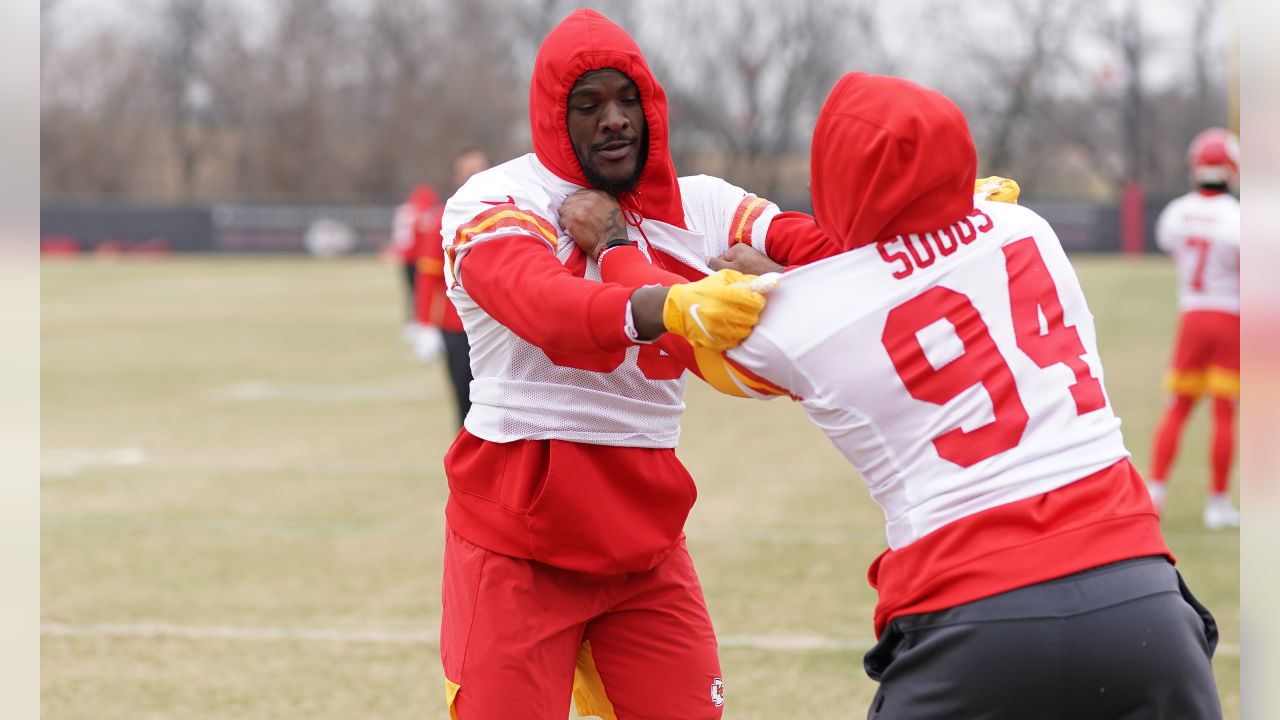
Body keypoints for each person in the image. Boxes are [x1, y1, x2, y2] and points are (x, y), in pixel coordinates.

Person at [561, 72, 1221, 719]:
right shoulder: (1024, 227)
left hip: (974, 619)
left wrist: (616, 246)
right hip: (1143, 600)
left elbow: (688, 326)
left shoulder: (810, 320)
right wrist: (803, 277)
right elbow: (908, 271)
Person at [434, 9, 802, 719]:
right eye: (589, 103)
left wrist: (932, 220)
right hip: (516, 538)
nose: (614, 120)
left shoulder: (698, 203)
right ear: (551, 114)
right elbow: (542, 306)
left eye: (627, 99)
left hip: (645, 539)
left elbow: (813, 242)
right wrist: (661, 306)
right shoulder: (498, 198)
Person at [1146, 128, 1240, 530]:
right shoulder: (1238, 218)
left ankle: (1156, 491)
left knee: (1177, 407)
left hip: (1192, 317)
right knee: (1224, 412)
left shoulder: (1175, 213)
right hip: (1230, 318)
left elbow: (1175, 254)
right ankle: (1217, 504)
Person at [414, 148, 491, 428]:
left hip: (497, 326)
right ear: (457, 177)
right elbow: (428, 276)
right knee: (466, 409)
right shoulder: (444, 218)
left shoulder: (506, 212)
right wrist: (424, 324)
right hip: (457, 328)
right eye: (467, 172)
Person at [390, 184, 438, 340]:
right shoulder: (425, 213)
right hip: (420, 258)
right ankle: (418, 321)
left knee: (412, 290)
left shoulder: (404, 211)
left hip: (409, 257)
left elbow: (400, 236)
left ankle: (415, 320)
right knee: (419, 290)